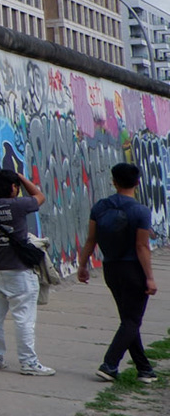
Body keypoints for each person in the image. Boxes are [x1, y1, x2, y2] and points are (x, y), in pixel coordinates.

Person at [76, 162, 158, 383]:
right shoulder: (140, 211)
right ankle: (109, 364)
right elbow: (142, 246)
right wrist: (150, 277)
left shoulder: (100, 207)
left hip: (111, 269)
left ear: (114, 182)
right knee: (131, 321)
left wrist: (82, 266)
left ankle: (144, 369)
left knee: (128, 320)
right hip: (134, 270)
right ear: (137, 182)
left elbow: (91, 240)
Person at [0, 168, 53, 375]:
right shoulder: (17, 206)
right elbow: (39, 196)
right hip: (18, 272)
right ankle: (28, 362)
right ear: (12, 187)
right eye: (16, 187)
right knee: (24, 318)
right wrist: (21, 177)